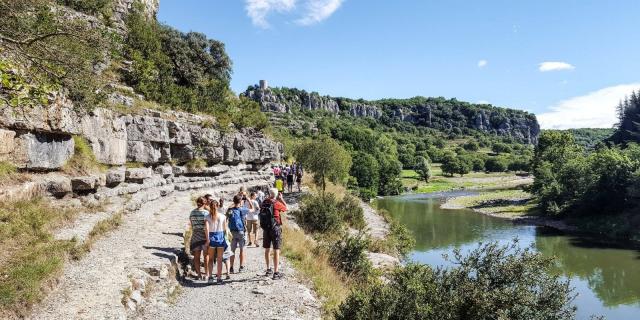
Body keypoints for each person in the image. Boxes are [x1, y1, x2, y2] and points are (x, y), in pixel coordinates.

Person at [261, 188, 287, 280]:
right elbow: (285, 208)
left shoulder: (264, 202)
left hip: (266, 228)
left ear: (269, 194)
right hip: (275, 228)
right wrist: (281, 199)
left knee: (267, 249)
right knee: (276, 249)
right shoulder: (276, 203)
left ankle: (268, 269)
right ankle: (276, 272)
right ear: (276, 195)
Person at [226, 194, 252, 273]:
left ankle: (231, 268)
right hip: (241, 231)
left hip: (232, 232)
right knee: (242, 249)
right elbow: (252, 208)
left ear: (233, 201)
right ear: (240, 201)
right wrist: (248, 200)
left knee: (232, 251)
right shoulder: (242, 209)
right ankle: (241, 267)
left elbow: (226, 217)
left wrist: (233, 204)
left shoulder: (230, 210)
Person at [188, 197, 209, 280]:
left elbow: (192, 225)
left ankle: (199, 274)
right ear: (204, 203)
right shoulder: (206, 213)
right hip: (204, 236)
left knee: (196, 257)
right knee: (206, 256)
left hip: (195, 236)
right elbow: (207, 226)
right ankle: (207, 274)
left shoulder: (192, 213)